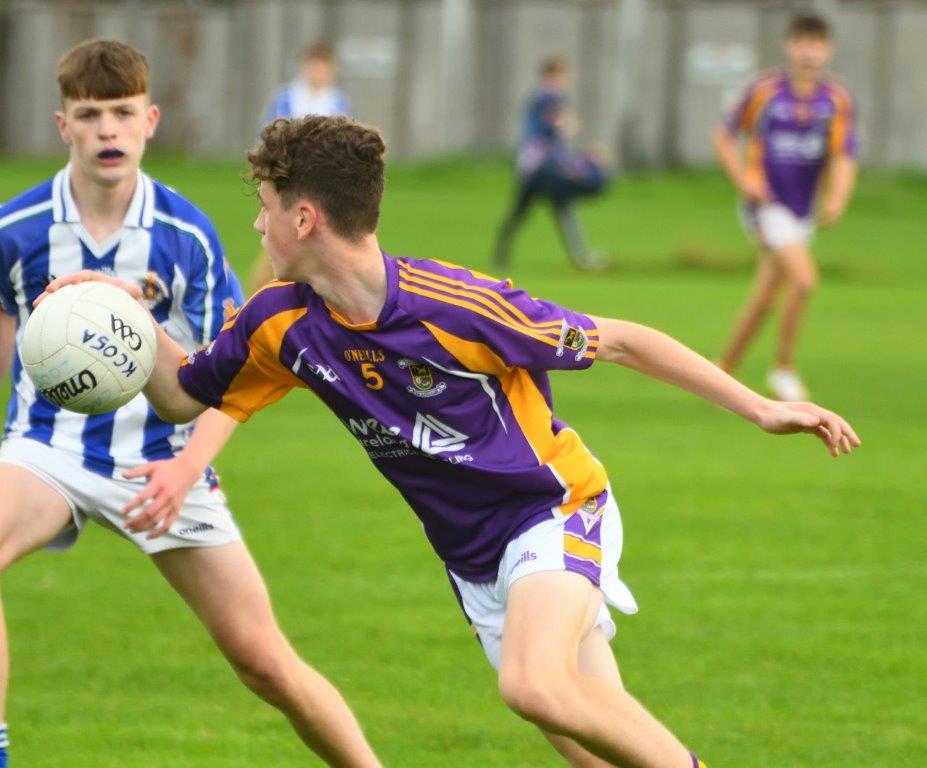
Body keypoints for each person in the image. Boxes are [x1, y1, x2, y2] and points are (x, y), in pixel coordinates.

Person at [43, 115, 860, 768]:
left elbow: (618, 340)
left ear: (304, 216)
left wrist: (759, 407)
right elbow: (186, 394)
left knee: (534, 686)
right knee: (589, 742)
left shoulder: (457, 305)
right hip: (474, 560)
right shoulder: (278, 322)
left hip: (553, 507)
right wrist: (124, 321)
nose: (254, 222)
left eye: (263, 204)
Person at [0, 40, 380, 768]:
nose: (106, 130)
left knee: (265, 663)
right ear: (62, 125)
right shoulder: (14, 231)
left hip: (167, 461)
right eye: (89, 115)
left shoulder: (189, 239)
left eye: (120, 113)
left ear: (150, 120)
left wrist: (186, 472)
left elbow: (230, 381)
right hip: (48, 450)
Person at [713, 13, 857, 401]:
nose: (808, 52)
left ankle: (722, 374)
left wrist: (838, 197)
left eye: (817, 44)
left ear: (828, 50)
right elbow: (724, 137)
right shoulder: (764, 91)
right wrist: (746, 181)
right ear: (788, 46)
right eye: (802, 43)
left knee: (764, 298)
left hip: (801, 211)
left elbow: (844, 155)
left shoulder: (837, 99)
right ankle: (784, 369)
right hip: (766, 206)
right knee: (805, 279)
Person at [251, 41, 354, 293]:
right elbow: (268, 139)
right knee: (281, 240)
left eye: (323, 67)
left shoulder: (339, 103)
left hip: (325, 186)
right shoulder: (285, 100)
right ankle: (260, 299)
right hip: (290, 183)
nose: (317, 72)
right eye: (313, 66)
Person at [492, 57, 610, 272]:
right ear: (549, 76)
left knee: (551, 209)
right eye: (560, 76)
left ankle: (502, 254)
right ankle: (580, 258)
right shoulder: (546, 99)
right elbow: (561, 125)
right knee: (531, 210)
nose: (564, 80)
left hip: (538, 168)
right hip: (540, 169)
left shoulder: (546, 99)